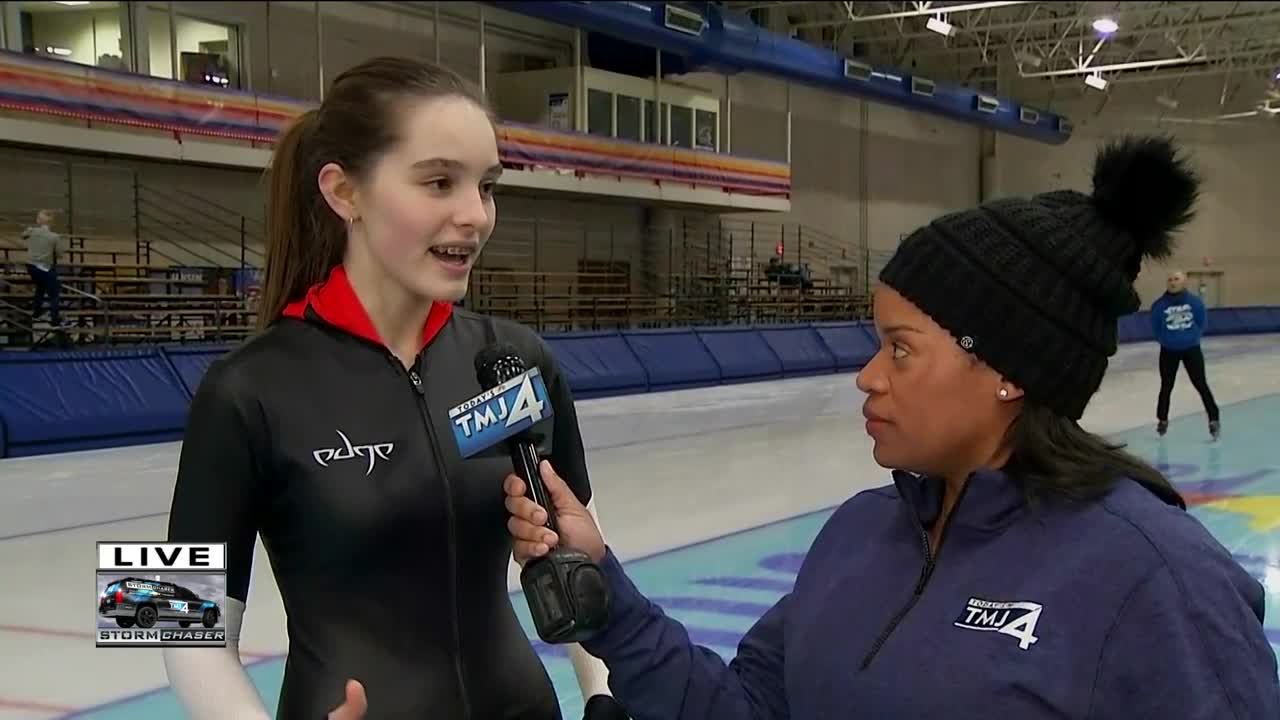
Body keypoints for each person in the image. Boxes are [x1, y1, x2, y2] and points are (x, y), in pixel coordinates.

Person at [503, 136, 1280, 719]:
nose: (868, 376)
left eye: (902, 350)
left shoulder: (1156, 581)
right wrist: (608, 599)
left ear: (1011, 370)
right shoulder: (858, 536)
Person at [162, 56, 625, 719]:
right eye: (439, 182)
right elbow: (170, 626)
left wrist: (605, 693)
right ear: (342, 191)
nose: (475, 215)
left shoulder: (518, 360)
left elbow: (584, 547)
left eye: (487, 186)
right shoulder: (242, 389)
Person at [1150, 269, 1220, 440]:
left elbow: (1201, 322)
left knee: (1201, 384)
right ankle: (1162, 419)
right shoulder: (1159, 305)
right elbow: (1156, 328)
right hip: (1168, 351)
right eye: (1170, 279)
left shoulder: (1195, 302)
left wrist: (1191, 337)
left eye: (1176, 279)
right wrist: (1167, 341)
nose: (1173, 282)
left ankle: (1213, 419)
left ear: (1184, 281)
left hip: (1191, 349)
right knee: (1166, 386)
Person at [22, 208, 64, 327]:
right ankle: (55, 319)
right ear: (51, 223)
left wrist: (30, 230)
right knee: (54, 294)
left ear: (39, 221)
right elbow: (60, 254)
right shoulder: (54, 237)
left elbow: (23, 235)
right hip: (45, 267)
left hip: (31, 266)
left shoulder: (32, 231)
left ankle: (36, 311)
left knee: (40, 287)